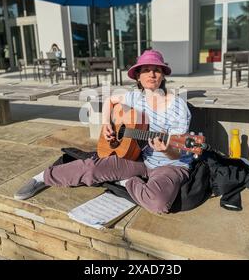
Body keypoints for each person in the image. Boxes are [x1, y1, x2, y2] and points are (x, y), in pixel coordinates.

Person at [14, 50, 193, 214]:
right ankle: (42, 177)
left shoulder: (178, 106)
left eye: (156, 70)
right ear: (138, 76)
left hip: (171, 165)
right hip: (140, 158)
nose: (152, 74)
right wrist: (106, 123)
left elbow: (177, 153)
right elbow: (109, 100)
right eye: (146, 70)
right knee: (92, 168)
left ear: (163, 75)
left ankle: (125, 181)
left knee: (158, 203)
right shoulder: (134, 96)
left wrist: (165, 149)